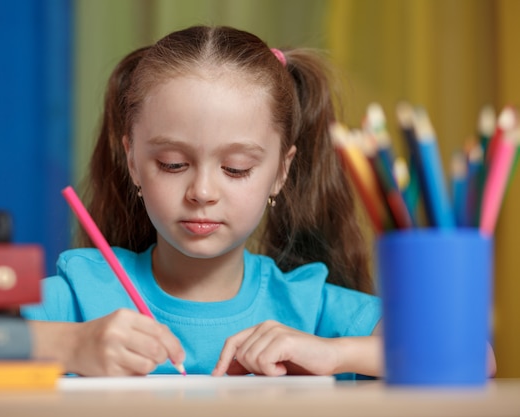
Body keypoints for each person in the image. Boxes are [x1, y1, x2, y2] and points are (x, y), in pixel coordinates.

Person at [21, 25, 385, 379]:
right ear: (132, 161)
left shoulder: (308, 307)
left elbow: (437, 346)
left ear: (280, 172)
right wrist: (71, 345)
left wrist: (336, 354)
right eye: (173, 164)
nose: (203, 192)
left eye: (236, 168)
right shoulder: (84, 292)